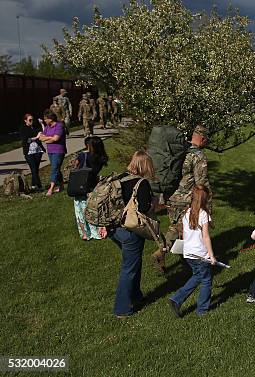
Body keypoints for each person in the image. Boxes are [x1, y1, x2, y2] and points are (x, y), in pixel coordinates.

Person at [154, 125, 211, 275]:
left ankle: (183, 259)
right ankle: (162, 251)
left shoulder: (179, 150)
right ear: (203, 139)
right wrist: (207, 203)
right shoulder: (198, 156)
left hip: (170, 196)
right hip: (186, 200)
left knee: (176, 226)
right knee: (181, 228)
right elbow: (201, 183)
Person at [109, 150, 155, 319]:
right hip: (130, 230)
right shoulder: (141, 183)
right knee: (129, 268)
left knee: (134, 262)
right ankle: (121, 309)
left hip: (114, 229)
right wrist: (153, 204)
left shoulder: (119, 177)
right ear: (144, 165)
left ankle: (136, 295)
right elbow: (143, 209)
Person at [168, 185, 216, 318]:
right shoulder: (203, 214)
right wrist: (211, 255)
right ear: (205, 199)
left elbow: (184, 233)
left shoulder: (187, 212)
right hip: (200, 254)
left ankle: (176, 299)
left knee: (197, 276)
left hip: (188, 253)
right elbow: (206, 237)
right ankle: (202, 310)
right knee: (206, 280)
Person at [73, 136, 109, 240]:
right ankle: (98, 232)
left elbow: (76, 168)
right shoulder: (102, 157)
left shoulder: (83, 156)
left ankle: (85, 233)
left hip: (81, 186)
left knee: (81, 210)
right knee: (94, 210)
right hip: (93, 186)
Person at [37, 110, 67, 196]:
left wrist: (48, 139)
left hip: (58, 150)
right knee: (56, 168)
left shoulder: (59, 126)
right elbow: (41, 137)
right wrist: (49, 138)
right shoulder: (47, 127)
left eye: (46, 119)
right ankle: (61, 186)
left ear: (50, 119)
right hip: (50, 151)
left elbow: (56, 139)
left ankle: (51, 188)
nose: (45, 120)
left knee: (54, 168)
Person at [19, 113, 45, 191]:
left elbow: (44, 132)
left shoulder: (34, 127)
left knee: (36, 169)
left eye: (32, 120)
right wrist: (36, 137)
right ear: (25, 121)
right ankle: (39, 186)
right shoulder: (23, 129)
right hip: (29, 152)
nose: (31, 121)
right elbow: (27, 140)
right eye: (30, 120)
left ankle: (33, 185)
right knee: (33, 169)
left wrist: (42, 123)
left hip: (37, 151)